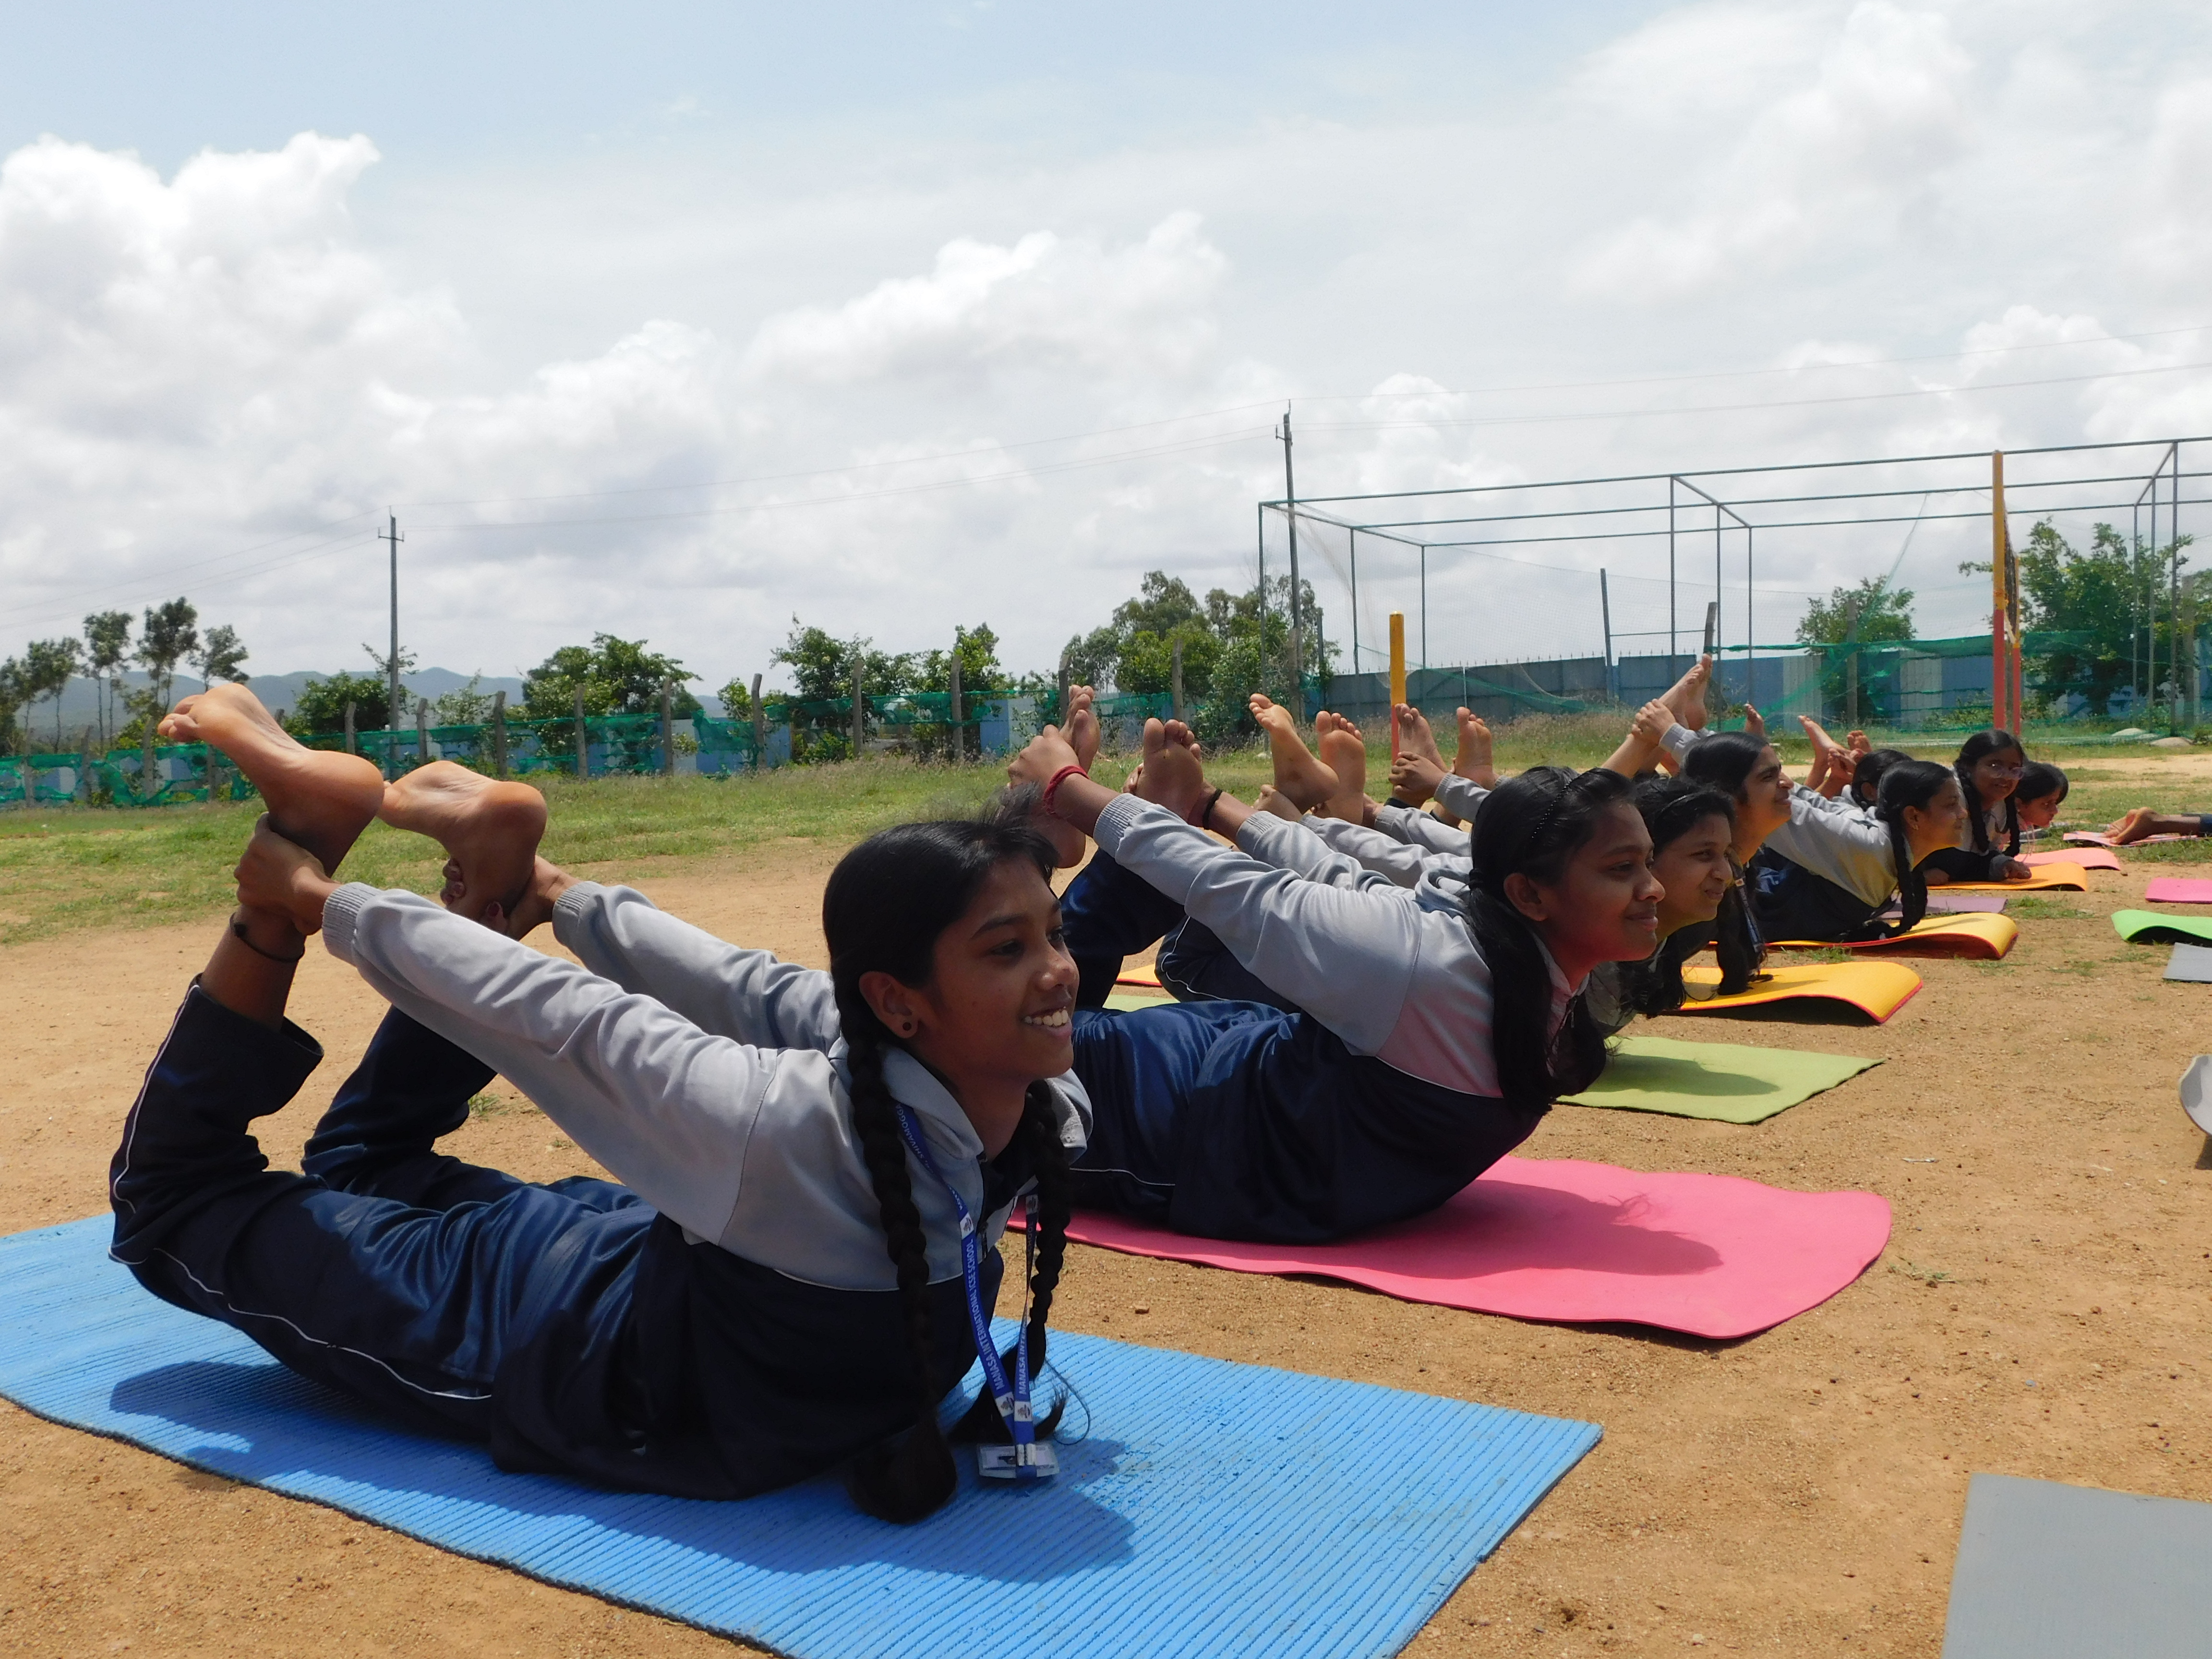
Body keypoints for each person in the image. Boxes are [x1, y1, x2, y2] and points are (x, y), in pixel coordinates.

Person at [110, 685, 1084, 1523]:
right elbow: (732, 995)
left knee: (173, 1203)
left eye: (1051, 934)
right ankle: (426, 882)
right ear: (895, 1004)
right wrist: (543, 894)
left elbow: (579, 1019)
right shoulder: (1037, 1103)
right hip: (615, 1291)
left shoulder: (827, 1120)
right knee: (361, 1167)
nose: (1059, 972)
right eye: (1010, 948)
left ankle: (299, 886)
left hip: (580, 1336)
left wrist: (320, 900)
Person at [1016, 718, 1662, 1243]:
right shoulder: (1441, 962)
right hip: (1206, 1093)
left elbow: (1331, 883)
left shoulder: (1515, 960)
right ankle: (1034, 845)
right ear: (1529, 895)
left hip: (1212, 1132)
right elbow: (1255, 887)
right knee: (1016, 1034)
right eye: (1624, 869)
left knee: (1035, 1029)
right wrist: (1072, 791)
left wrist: (1187, 802)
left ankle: (1036, 845)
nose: (1653, 888)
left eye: (1650, 864)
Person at [1921, 729, 2029, 881]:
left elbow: (1975, 859)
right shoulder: (1949, 795)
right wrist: (1916, 876)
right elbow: (1955, 861)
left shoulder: (2002, 802)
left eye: (2013, 769)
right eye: (1995, 766)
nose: (2006, 777)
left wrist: (2003, 865)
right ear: (1968, 766)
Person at [2013, 760, 2069, 833]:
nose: (2055, 811)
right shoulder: (2000, 830)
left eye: (2055, 803)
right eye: (2046, 804)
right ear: (2018, 804)